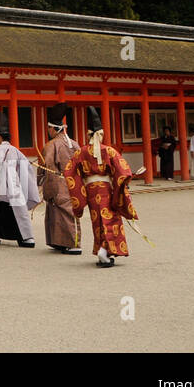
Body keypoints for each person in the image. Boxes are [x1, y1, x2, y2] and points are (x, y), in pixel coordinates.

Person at [63, 108, 138, 269]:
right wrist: (122, 184)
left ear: (88, 134)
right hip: (106, 190)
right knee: (111, 219)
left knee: (98, 221)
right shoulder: (109, 150)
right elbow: (123, 170)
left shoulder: (81, 152)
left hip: (91, 191)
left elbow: (69, 171)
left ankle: (102, 249)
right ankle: (104, 251)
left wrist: (80, 189)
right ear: (101, 134)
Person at [0, 111, 40, 248]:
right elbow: (24, 164)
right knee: (18, 209)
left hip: (3, 183)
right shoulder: (15, 149)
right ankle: (26, 238)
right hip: (14, 182)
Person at [38, 103, 81, 255]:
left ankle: (73, 244)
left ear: (53, 129)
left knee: (63, 213)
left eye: (48, 128)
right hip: (73, 182)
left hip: (58, 183)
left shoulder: (51, 145)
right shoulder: (75, 144)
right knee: (64, 213)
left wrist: (40, 182)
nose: (47, 131)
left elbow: (45, 166)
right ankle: (59, 242)